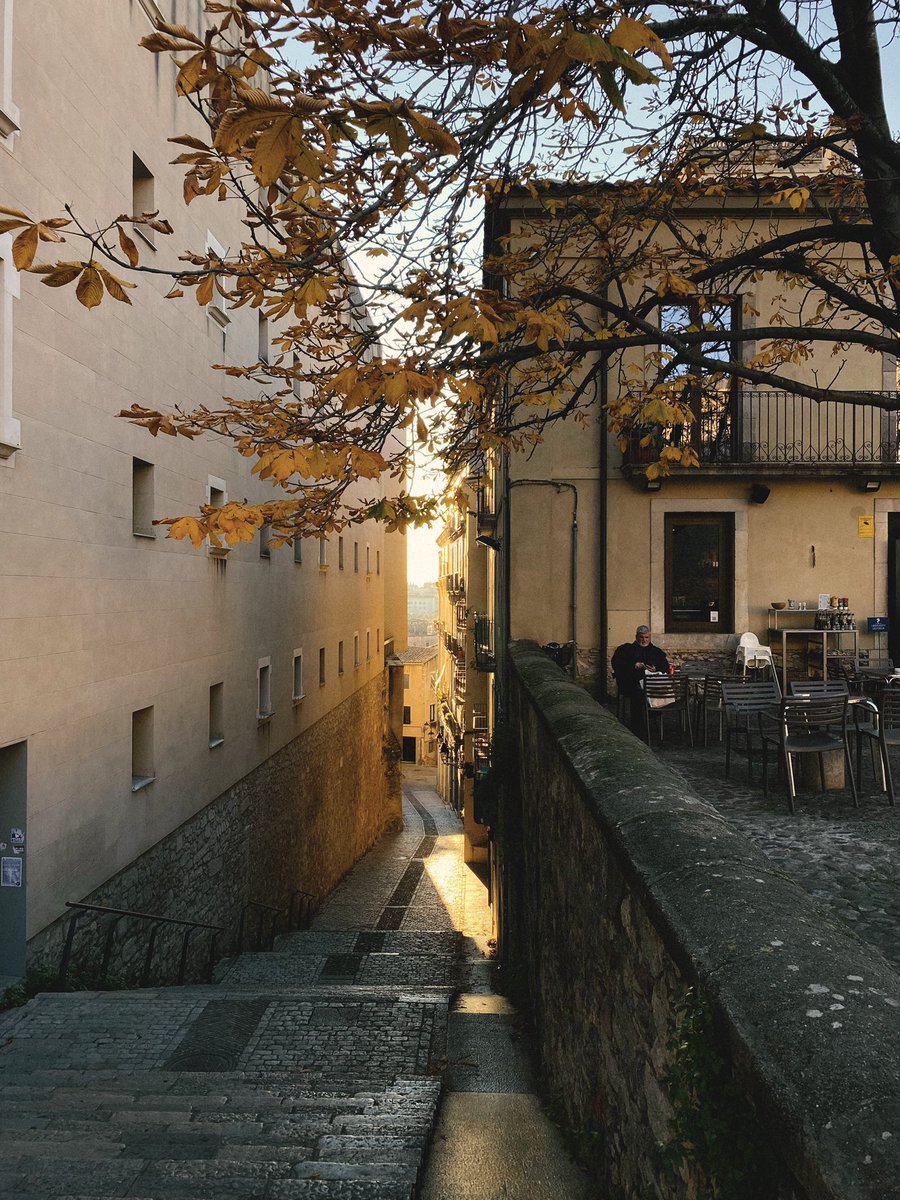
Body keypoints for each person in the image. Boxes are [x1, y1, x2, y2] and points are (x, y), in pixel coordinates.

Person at [611, 625, 670, 734]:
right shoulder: (626, 649)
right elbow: (617, 664)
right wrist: (634, 664)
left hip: (652, 685)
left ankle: (653, 721)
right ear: (636, 637)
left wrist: (656, 668)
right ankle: (638, 728)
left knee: (659, 691)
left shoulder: (656, 651)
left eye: (646, 638)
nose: (644, 640)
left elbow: (665, 666)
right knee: (638, 694)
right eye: (641, 637)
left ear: (650, 637)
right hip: (632, 683)